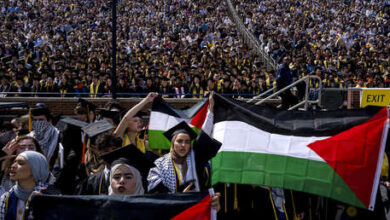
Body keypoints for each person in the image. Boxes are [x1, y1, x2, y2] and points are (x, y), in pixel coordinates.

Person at [0, 151, 49, 220]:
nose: (13, 166)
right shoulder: (6, 197)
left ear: (35, 169)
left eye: (21, 163)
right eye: (14, 162)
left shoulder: (49, 196)